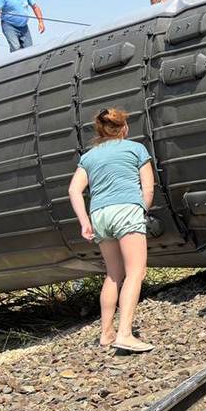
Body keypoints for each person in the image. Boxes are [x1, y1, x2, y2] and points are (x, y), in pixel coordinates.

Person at [67, 108, 155, 353]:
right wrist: (141, 210)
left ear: (100, 130)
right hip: (126, 209)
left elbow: (74, 190)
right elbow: (148, 189)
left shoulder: (89, 157)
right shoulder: (136, 149)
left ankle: (106, 333)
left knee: (114, 274)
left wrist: (84, 221)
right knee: (136, 272)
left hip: (99, 215)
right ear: (124, 128)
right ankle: (125, 334)